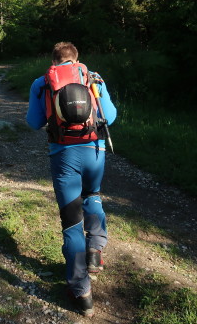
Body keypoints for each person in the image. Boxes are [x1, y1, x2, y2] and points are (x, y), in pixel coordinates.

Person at [26, 42, 117, 317]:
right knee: (93, 196)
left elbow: (33, 122)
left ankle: (81, 291)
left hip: (63, 155)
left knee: (71, 221)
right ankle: (96, 249)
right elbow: (109, 117)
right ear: (76, 58)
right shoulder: (94, 79)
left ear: (53, 61)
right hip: (94, 153)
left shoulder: (42, 83)